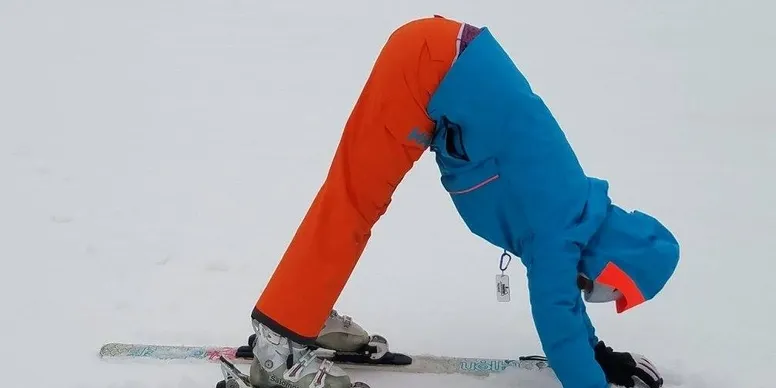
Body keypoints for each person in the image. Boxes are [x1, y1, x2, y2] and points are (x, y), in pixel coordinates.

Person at [245, 15, 680, 388]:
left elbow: (563, 296)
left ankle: (305, 309)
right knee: (354, 199)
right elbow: (557, 315)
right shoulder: (559, 225)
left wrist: (598, 355)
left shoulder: (573, 213)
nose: (591, 292)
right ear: (613, 263)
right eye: (607, 291)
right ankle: (278, 338)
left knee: (356, 199)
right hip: (428, 67)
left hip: (438, 60)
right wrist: (588, 377)